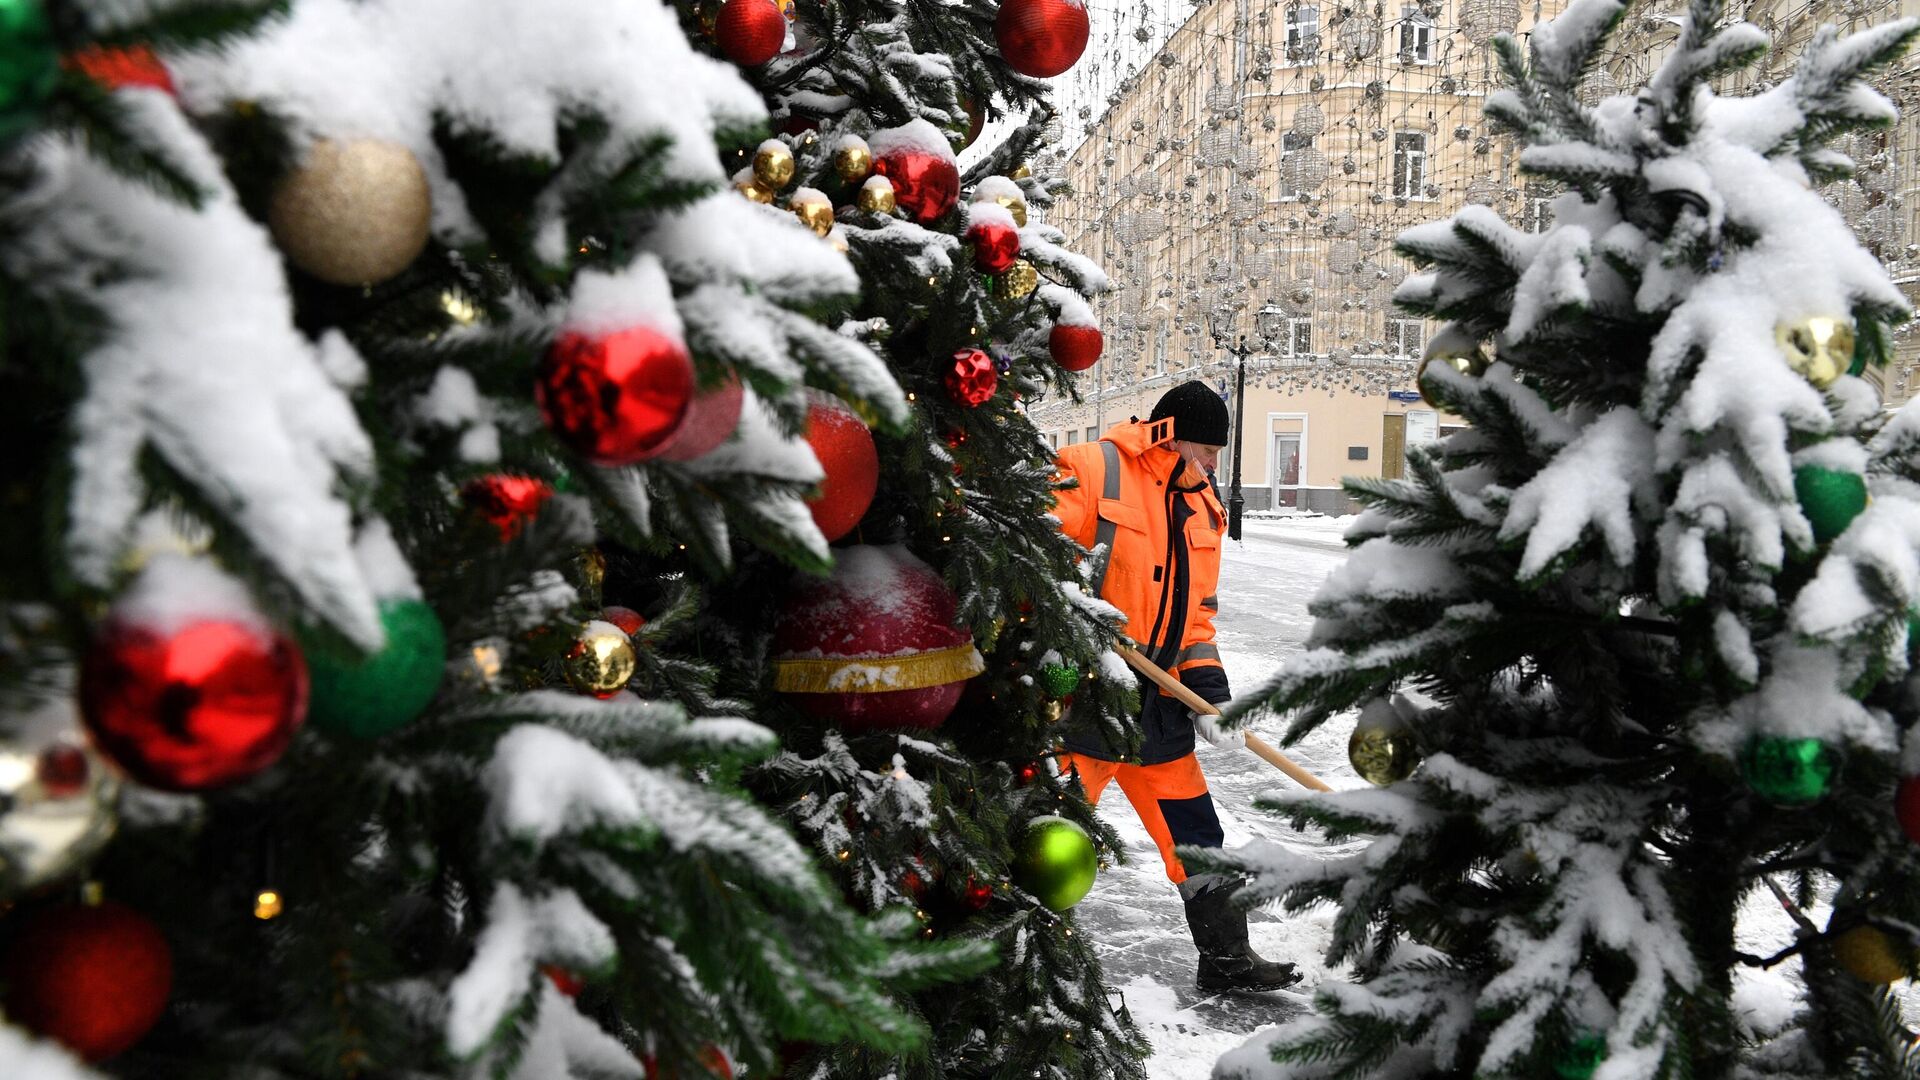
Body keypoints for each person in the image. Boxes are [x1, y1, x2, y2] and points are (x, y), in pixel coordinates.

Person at [1050, 381, 1300, 992]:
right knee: (1050, 835)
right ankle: (1013, 966)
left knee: (1196, 836)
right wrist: (1076, 625)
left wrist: (1214, 699)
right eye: (1208, 450)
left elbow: (1196, 621)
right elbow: (1032, 561)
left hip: (1159, 706)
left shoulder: (1203, 508)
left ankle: (1226, 960)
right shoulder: (1092, 469)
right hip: (1085, 698)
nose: (1215, 463)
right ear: (1171, 436)